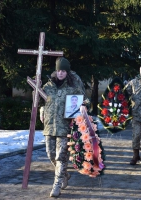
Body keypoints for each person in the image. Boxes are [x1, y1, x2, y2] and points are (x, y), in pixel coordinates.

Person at [40, 57, 84, 197]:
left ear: (67, 72)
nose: (60, 73)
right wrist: (42, 109)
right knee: (50, 154)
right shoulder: (48, 86)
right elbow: (40, 100)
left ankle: (56, 186)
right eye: (59, 70)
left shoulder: (73, 87)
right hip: (49, 127)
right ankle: (64, 174)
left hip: (65, 127)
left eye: (63, 71)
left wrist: (83, 105)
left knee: (60, 157)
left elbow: (84, 98)